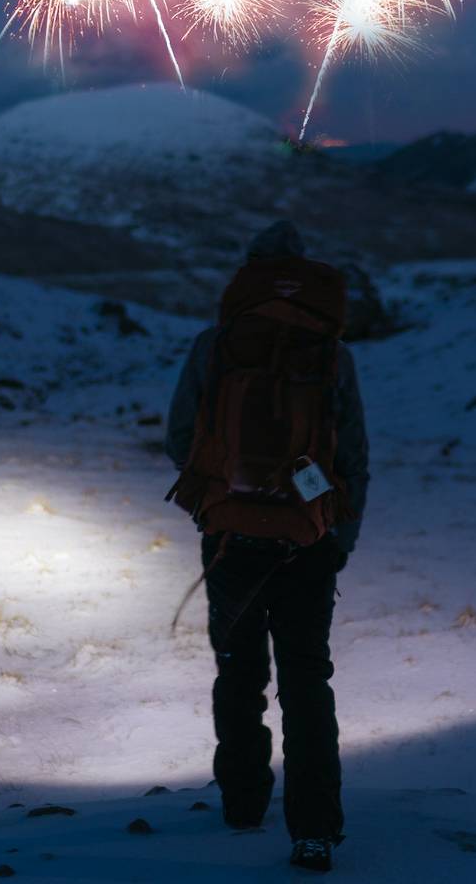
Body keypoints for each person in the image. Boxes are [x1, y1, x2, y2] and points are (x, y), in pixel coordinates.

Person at [165, 220, 370, 873]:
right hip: (307, 542)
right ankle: (313, 831)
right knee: (307, 679)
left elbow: (180, 437)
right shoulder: (333, 354)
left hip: (230, 539)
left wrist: (220, 504)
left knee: (239, 668)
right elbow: (352, 456)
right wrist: (337, 535)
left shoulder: (216, 345)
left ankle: (244, 804)